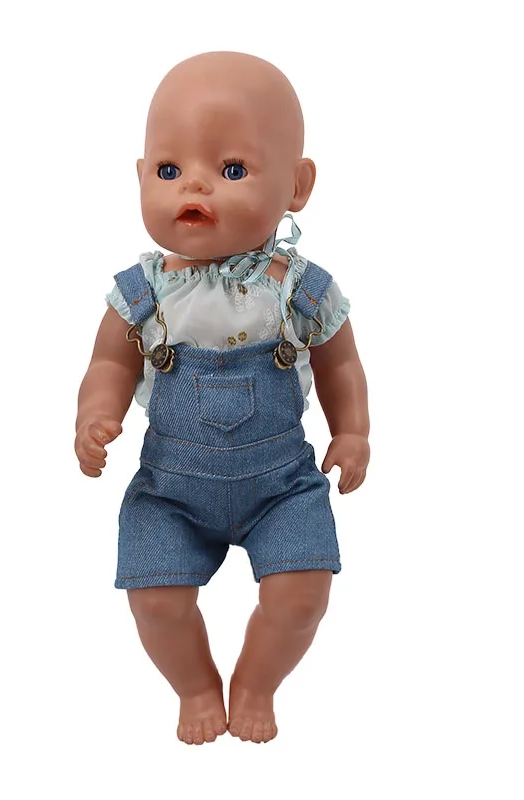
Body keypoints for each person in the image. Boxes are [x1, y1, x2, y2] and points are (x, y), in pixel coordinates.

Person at [74, 51, 370, 745]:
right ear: (140, 176)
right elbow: (108, 362)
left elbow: (343, 365)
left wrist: (353, 431)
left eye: (232, 169)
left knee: (303, 595)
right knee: (154, 599)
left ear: (297, 186)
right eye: (168, 170)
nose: (194, 186)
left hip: (280, 485)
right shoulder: (142, 293)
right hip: (171, 490)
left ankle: (257, 683)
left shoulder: (299, 289)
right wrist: (96, 413)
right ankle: (195, 685)